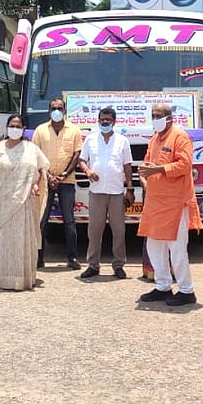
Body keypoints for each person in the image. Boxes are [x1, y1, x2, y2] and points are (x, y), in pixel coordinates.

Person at [137, 103, 203, 306]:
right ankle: (163, 286)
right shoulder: (154, 139)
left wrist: (158, 170)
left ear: (169, 118)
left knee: (177, 248)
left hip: (176, 203)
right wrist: (144, 176)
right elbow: (147, 163)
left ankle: (186, 290)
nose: (155, 118)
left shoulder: (180, 137)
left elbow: (185, 165)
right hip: (155, 202)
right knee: (154, 246)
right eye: (153, 115)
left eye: (158, 115)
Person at [0, 115, 50, 290]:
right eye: (12, 125)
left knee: (24, 240)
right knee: (4, 241)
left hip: (25, 202)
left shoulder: (32, 149)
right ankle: (4, 279)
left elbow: (42, 170)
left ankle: (24, 279)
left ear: (23, 128)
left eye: (18, 126)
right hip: (3, 202)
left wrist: (36, 184)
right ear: (7, 127)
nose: (14, 128)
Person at [77, 107, 134, 280]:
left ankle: (119, 265)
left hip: (116, 192)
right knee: (94, 230)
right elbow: (81, 160)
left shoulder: (122, 141)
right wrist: (88, 171)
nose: (105, 122)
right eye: (102, 119)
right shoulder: (90, 139)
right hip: (96, 192)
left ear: (114, 122)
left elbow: (127, 166)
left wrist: (130, 189)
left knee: (119, 231)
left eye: (108, 119)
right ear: (98, 120)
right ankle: (93, 265)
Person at [33, 97, 83, 270]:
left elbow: (76, 155)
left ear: (65, 111)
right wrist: (48, 176)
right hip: (44, 181)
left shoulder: (74, 130)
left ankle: (72, 258)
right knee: (42, 220)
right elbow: (35, 155)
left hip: (67, 181)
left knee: (69, 221)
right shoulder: (40, 130)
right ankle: (39, 258)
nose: (56, 111)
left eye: (60, 108)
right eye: (53, 108)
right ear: (49, 110)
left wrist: (63, 175)